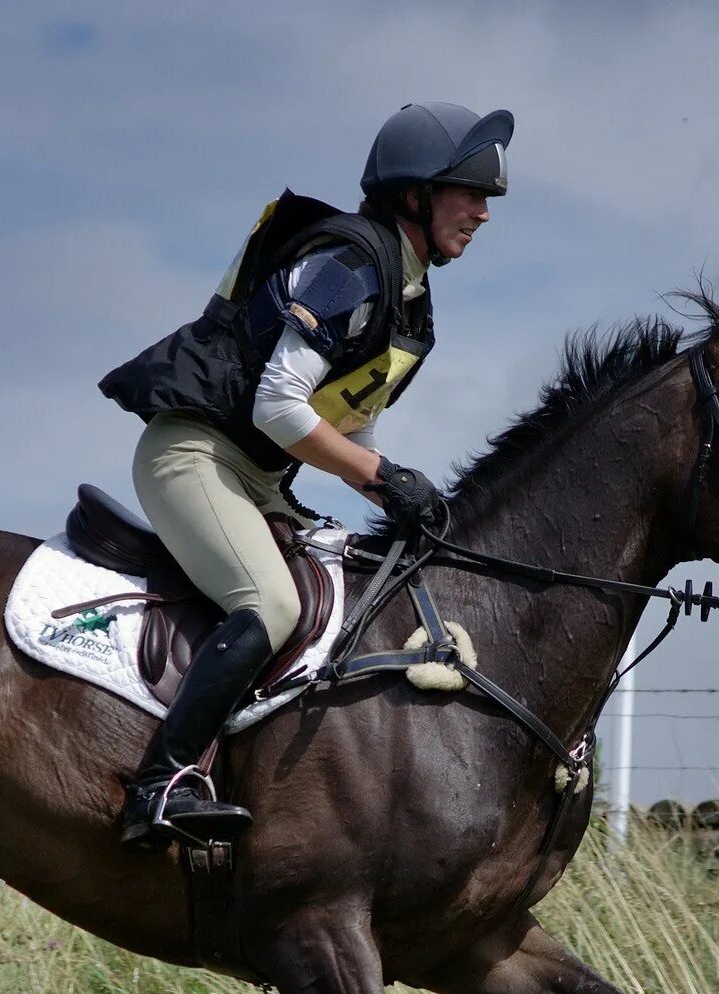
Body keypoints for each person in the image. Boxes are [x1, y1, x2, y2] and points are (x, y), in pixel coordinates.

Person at [98, 102, 512, 847]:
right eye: (469, 193)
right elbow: (279, 408)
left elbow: (348, 425)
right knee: (271, 606)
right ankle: (157, 786)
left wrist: (393, 489)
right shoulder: (350, 264)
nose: (483, 212)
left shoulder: (410, 302)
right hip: (194, 455)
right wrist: (384, 476)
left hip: (255, 479)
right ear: (415, 192)